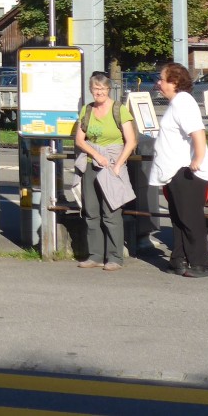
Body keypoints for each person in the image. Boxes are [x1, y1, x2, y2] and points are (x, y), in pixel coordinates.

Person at [150, 62, 208, 277]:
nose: (158, 83)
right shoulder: (176, 103)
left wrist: (197, 158)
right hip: (174, 171)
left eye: (162, 78)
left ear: (174, 81)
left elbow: (197, 132)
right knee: (178, 218)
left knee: (190, 219)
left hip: (186, 171)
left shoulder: (183, 102)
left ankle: (201, 264)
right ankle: (179, 259)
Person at [73, 72, 137, 270]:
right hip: (92, 164)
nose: (98, 92)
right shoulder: (87, 110)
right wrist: (95, 154)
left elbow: (131, 140)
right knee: (91, 211)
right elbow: (79, 139)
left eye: (102, 88)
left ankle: (115, 257)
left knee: (111, 212)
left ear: (109, 89)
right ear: (91, 90)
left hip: (112, 165)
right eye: (95, 89)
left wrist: (118, 164)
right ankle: (95, 255)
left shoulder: (119, 110)